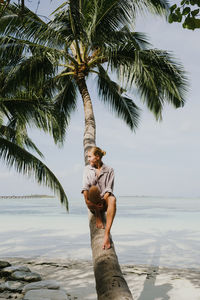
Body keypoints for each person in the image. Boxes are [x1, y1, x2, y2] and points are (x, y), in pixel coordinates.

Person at [81, 146, 116, 250]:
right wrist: (87, 201)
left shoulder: (110, 170)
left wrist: (103, 200)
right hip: (92, 201)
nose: (88, 159)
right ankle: (97, 214)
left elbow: (109, 188)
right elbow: (85, 188)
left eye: (89, 157)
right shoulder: (87, 169)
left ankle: (106, 234)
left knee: (113, 199)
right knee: (93, 189)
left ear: (97, 157)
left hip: (104, 201)